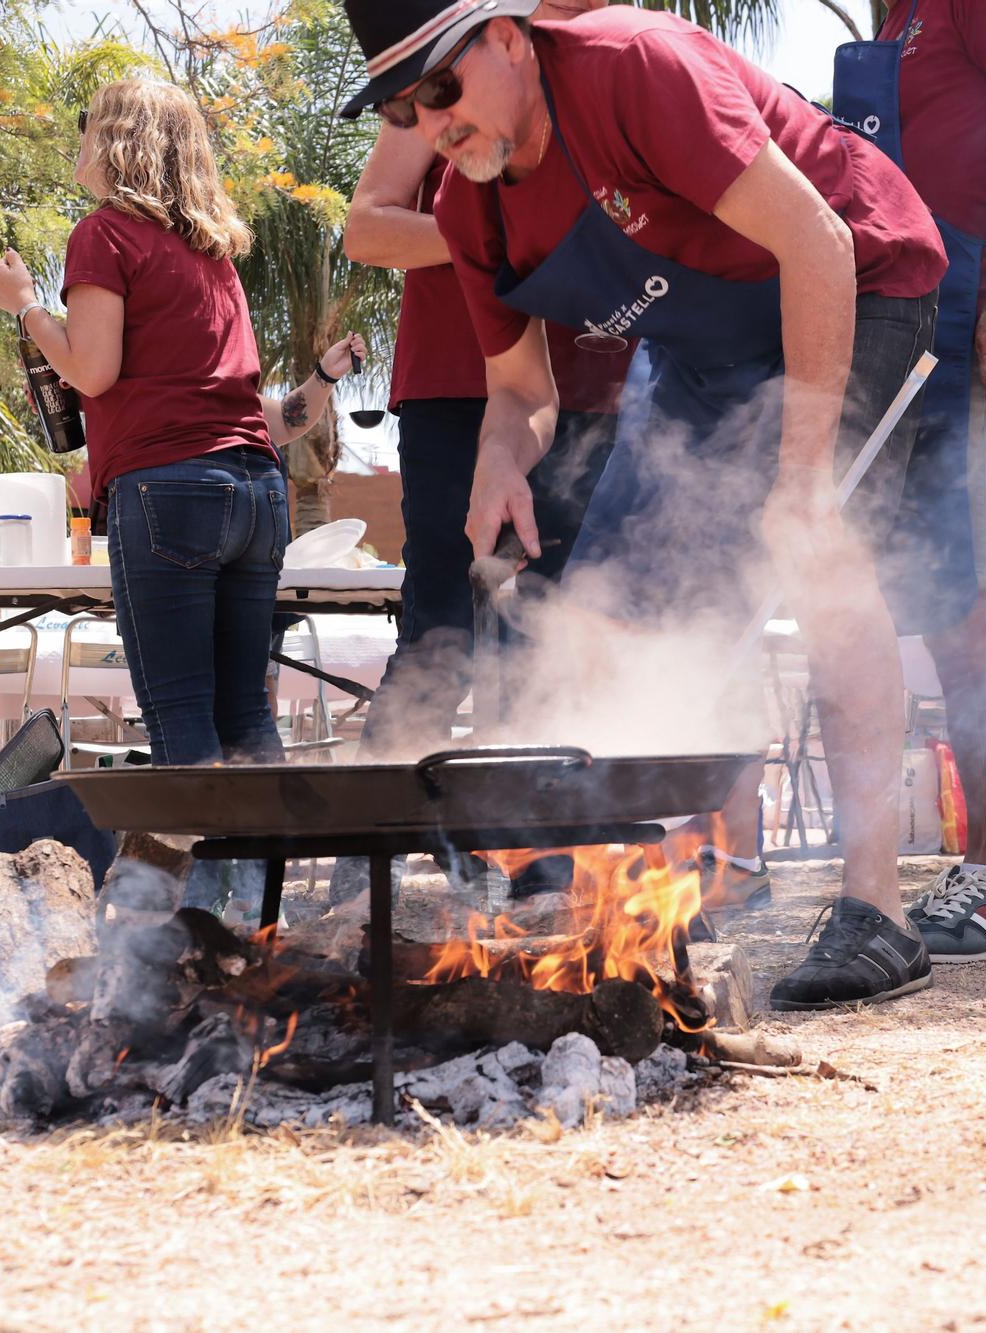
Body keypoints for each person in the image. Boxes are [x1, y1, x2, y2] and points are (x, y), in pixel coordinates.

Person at [337, 1, 947, 1009]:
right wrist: (499, 460)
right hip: (707, 352)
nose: (430, 124)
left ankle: (875, 911)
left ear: (505, 37)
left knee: (818, 554)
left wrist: (798, 484)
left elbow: (816, 242)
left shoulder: (635, 69)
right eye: (403, 109)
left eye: (439, 90)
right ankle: (635, 906)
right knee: (598, 619)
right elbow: (521, 396)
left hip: (858, 274)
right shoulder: (466, 208)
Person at [0, 80, 362, 903]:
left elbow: (91, 369)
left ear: (113, 142)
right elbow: (234, 395)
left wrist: (24, 308)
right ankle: (257, 917)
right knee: (247, 717)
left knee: (183, 722)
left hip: (167, 492)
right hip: (256, 489)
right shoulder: (213, 256)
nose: (77, 144)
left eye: (84, 128)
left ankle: (201, 924)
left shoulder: (103, 235)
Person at [334, 0, 628, 904]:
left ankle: (536, 860)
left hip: (586, 389)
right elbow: (368, 225)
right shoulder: (456, 58)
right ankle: (368, 854)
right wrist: (494, 247)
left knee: (554, 628)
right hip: (462, 389)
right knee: (442, 627)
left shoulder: (603, 54)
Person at [827, 0, 986, 963]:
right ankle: (981, 864)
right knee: (945, 609)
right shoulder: (895, 19)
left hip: (980, 326)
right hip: (903, 333)